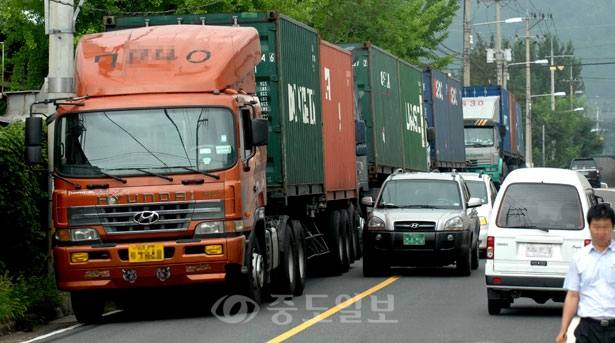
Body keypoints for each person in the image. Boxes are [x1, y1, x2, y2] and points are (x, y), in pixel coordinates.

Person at [555, 203, 615, 343]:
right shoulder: (579, 258)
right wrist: (563, 330)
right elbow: (573, 295)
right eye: (596, 227)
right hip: (588, 329)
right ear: (589, 227)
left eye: (605, 227)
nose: (601, 232)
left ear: (612, 227)